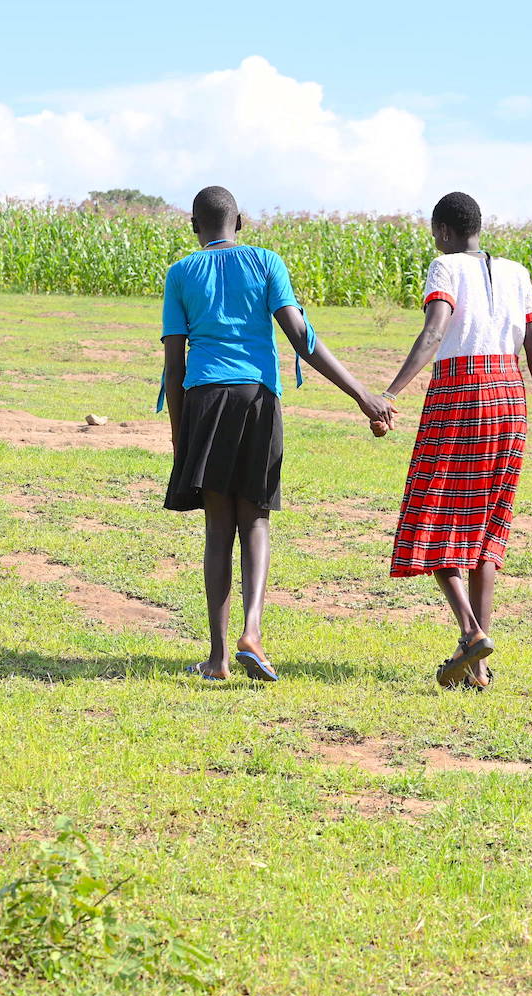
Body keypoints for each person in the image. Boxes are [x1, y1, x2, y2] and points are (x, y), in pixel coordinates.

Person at [161, 186, 395, 682]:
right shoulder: (266, 262)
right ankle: (253, 632)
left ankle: (219, 659)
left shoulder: (181, 273)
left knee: (218, 530)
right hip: (257, 399)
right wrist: (363, 395)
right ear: (240, 222)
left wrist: (181, 438)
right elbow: (301, 337)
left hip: (205, 399)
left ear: (193, 226)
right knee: (257, 523)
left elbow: (173, 362)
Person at [374, 191, 532, 691]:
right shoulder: (518, 273)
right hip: (511, 399)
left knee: (430, 513)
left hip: (460, 394)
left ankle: (470, 632)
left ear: (441, 229)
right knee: (485, 529)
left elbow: (435, 333)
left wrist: (391, 393)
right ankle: (477, 668)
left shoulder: (444, 267)